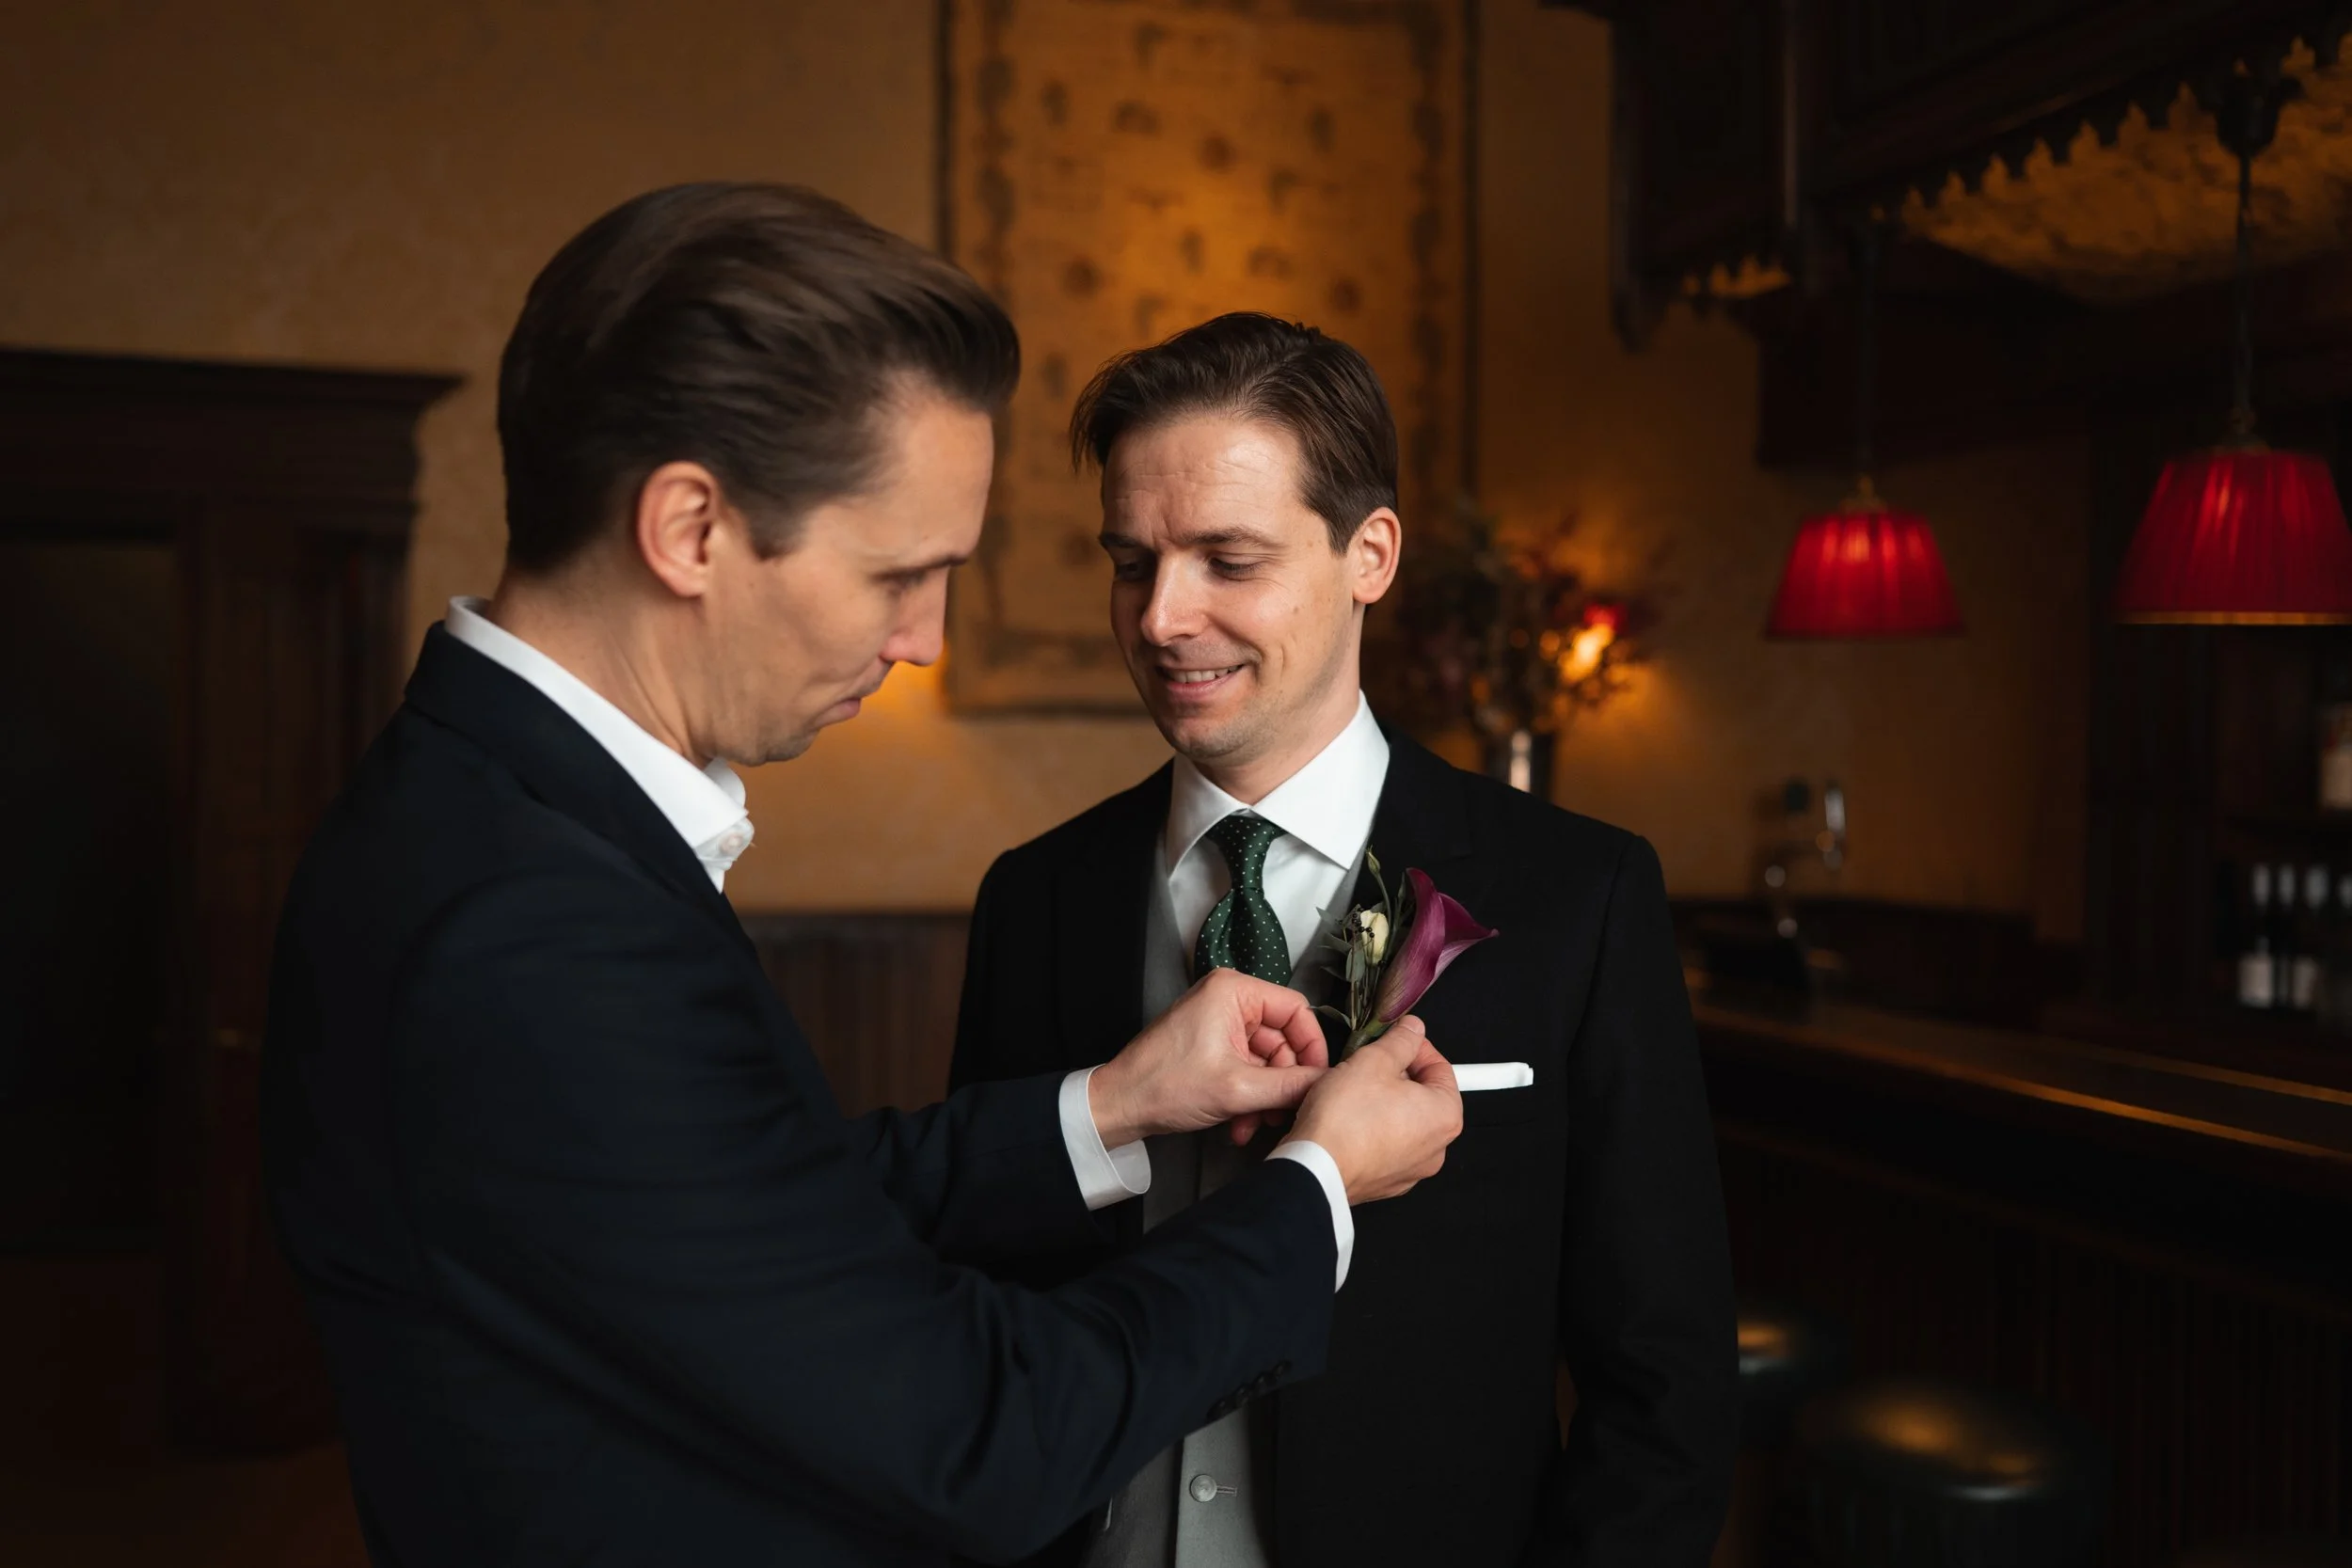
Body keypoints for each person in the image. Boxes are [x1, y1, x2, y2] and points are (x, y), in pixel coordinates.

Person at [258, 185, 1464, 1568]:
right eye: (902, 572)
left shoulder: (489, 812)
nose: (926, 641)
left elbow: (746, 1214)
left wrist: (1112, 1104)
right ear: (691, 528)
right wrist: (1311, 1185)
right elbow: (976, 1434)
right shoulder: (531, 919)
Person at [948, 313, 1739, 1568]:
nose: (1161, 618)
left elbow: (1668, 1389)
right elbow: (973, 1315)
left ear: (1370, 553)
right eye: (1131, 561)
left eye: (1227, 558)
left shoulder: (1577, 896)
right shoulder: (1031, 900)